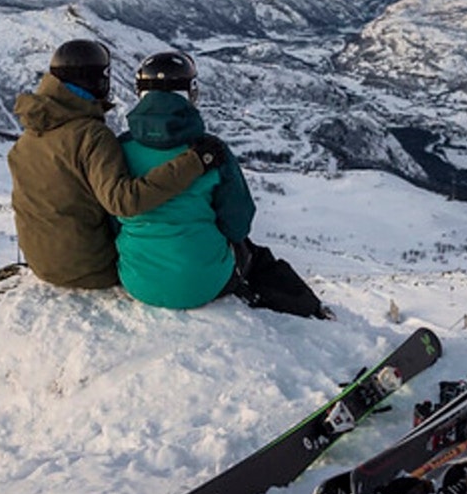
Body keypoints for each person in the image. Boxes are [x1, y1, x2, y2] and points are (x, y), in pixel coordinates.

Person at [115, 51, 329, 318]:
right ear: (191, 92)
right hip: (205, 285)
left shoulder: (119, 149)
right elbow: (238, 225)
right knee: (253, 255)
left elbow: (112, 211)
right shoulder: (210, 152)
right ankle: (307, 309)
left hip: (137, 281)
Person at [7, 39, 225, 290]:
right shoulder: (91, 135)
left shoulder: (29, 136)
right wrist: (196, 162)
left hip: (42, 263)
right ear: (99, 80)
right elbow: (124, 202)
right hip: (90, 268)